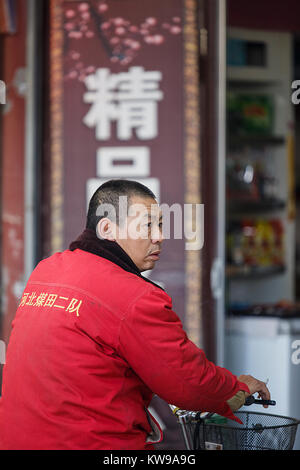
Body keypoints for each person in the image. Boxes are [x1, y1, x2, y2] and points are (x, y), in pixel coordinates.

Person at [0, 179, 270, 450]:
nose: (159, 237)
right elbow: (189, 382)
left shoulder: (46, 270)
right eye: (147, 225)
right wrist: (238, 388)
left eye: (161, 225)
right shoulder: (134, 295)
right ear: (107, 228)